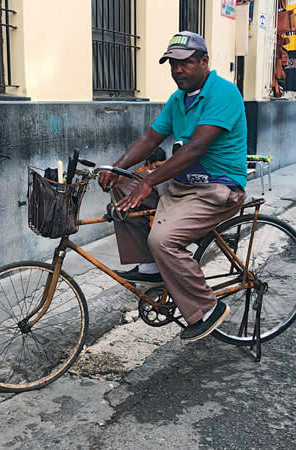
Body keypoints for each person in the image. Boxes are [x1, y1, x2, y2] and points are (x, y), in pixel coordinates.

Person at [98, 31, 247, 343]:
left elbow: (195, 149)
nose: (178, 70)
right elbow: (150, 139)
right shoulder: (178, 100)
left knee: (163, 239)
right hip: (181, 185)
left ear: (204, 61)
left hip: (216, 188)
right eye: (172, 64)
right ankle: (152, 269)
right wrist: (118, 167)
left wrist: (150, 180)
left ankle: (207, 310)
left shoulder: (224, 93)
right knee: (124, 185)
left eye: (186, 63)